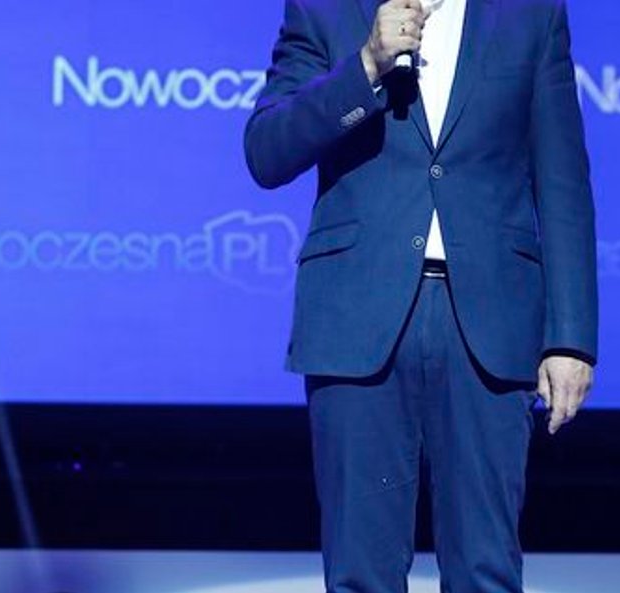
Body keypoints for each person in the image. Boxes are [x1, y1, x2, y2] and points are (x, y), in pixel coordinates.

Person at [244, 0, 597, 590]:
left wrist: (571, 338)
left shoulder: (530, 13)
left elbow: (563, 179)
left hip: (490, 319)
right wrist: (366, 64)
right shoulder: (324, 8)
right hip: (357, 314)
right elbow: (267, 152)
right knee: (361, 573)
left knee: (486, 571)